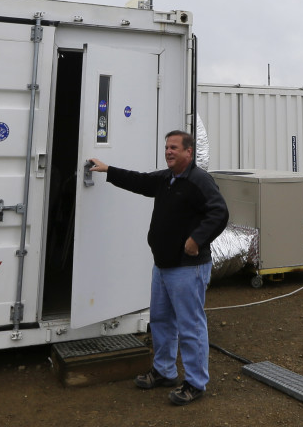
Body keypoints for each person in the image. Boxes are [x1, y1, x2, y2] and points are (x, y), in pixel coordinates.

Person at [89, 130, 228, 406]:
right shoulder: (167, 179)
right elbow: (139, 181)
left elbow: (219, 212)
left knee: (191, 327)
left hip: (188, 268)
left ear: (189, 152)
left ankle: (195, 383)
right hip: (163, 266)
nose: (169, 152)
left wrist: (196, 239)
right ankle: (165, 371)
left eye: (174, 147)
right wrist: (108, 170)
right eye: (166, 147)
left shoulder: (199, 181)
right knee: (162, 322)